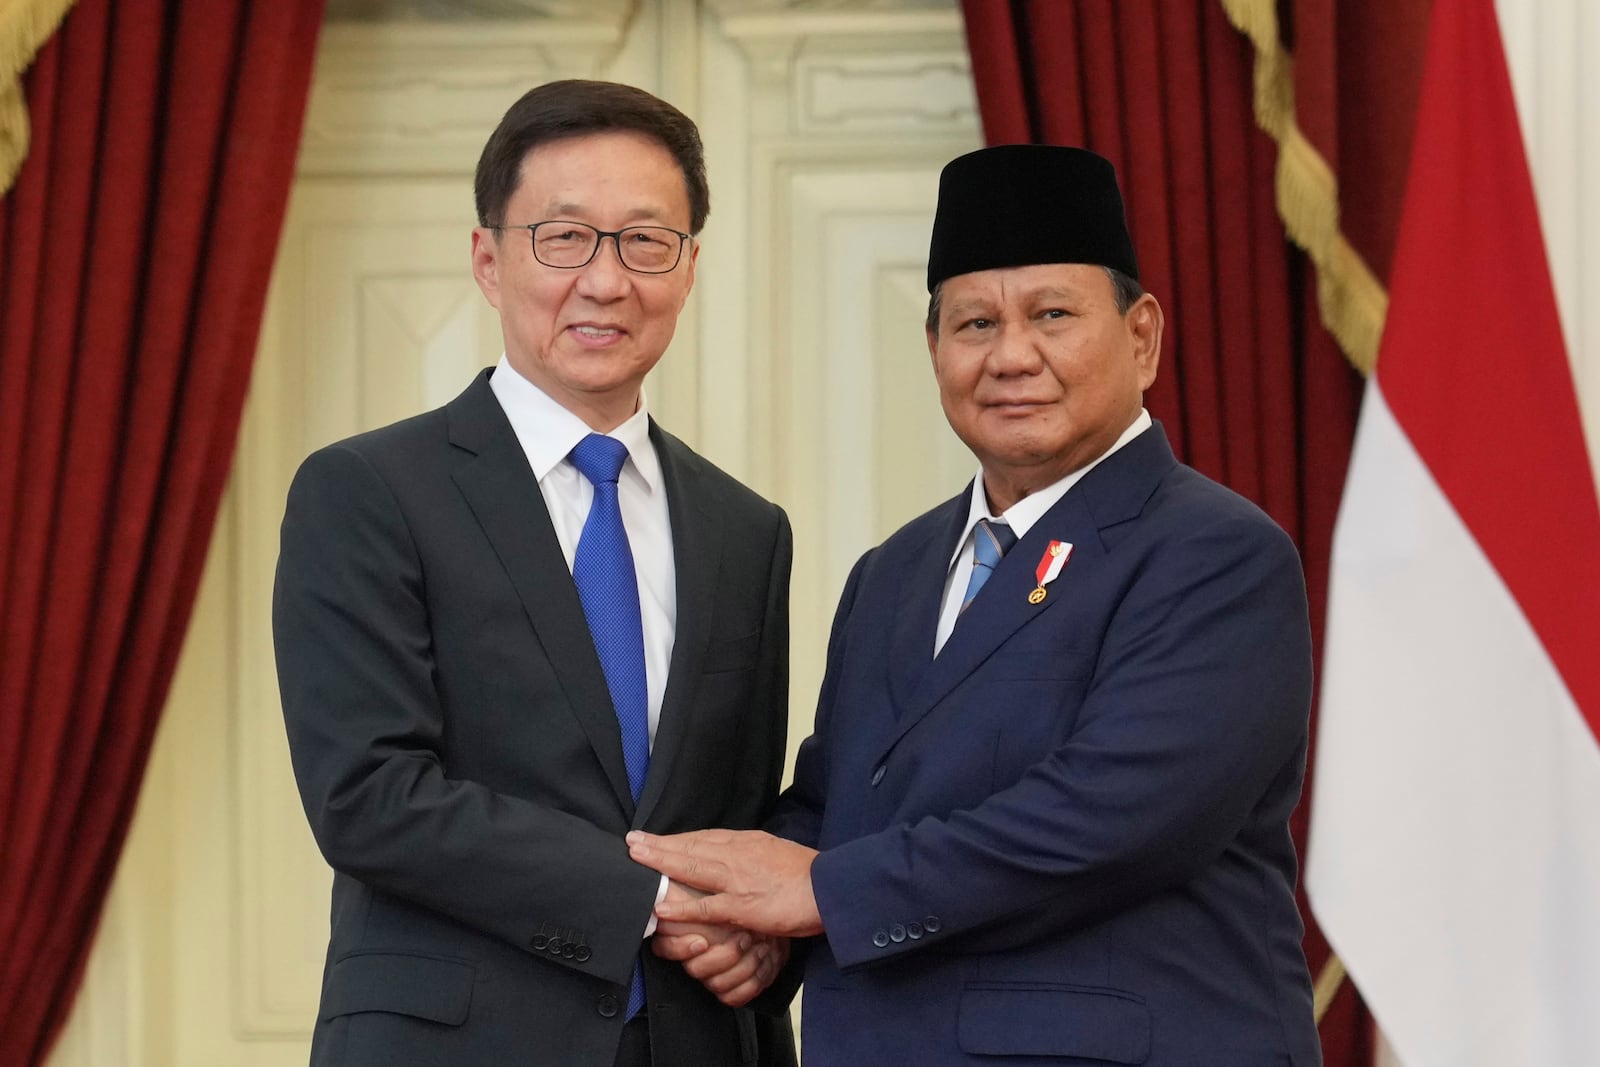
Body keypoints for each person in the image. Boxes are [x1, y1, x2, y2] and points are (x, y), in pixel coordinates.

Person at [628, 144, 1322, 1066]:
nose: (1012, 356)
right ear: (933, 349)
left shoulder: (1214, 553)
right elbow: (839, 804)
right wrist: (748, 922)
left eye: (1054, 315)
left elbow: (1108, 822)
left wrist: (822, 892)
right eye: (975, 323)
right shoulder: (896, 570)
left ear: (1143, 336)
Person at [273, 80, 796, 1067]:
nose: (605, 280)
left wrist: (764, 934)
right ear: (488, 259)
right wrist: (649, 896)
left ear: (688, 269)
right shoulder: (368, 491)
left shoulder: (744, 528)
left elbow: (738, 816)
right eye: (563, 237)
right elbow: (369, 794)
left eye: (646, 241)